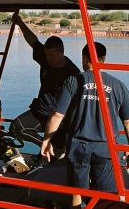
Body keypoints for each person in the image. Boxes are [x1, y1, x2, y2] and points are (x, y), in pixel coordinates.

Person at [40, 42, 129, 209]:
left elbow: (57, 116)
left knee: (78, 189)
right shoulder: (118, 85)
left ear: (85, 58)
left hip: (78, 146)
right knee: (106, 192)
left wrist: (47, 140)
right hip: (106, 148)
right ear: (104, 59)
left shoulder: (73, 81)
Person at [10, 13, 80, 153]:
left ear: (61, 53)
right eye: (47, 55)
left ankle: (52, 153)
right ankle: (46, 147)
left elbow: (78, 102)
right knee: (16, 128)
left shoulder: (72, 74)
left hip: (59, 119)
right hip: (40, 112)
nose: (48, 59)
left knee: (57, 156)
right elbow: (33, 41)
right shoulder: (45, 58)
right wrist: (20, 23)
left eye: (52, 56)